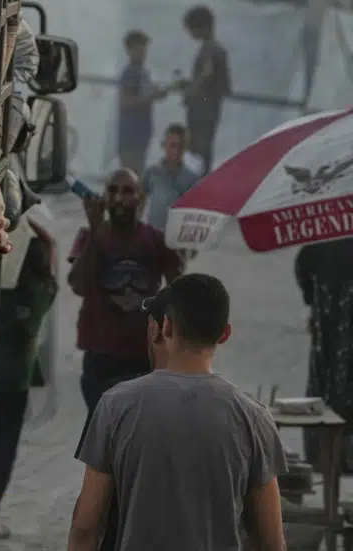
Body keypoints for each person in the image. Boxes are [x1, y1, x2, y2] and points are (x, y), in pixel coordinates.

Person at [68, 273, 287, 551]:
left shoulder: (116, 405)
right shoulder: (254, 418)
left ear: (167, 326)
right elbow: (271, 542)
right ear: (224, 334)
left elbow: (86, 526)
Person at [67, 168, 184, 419]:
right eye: (112, 191)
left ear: (141, 197)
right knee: (102, 428)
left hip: (142, 356)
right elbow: (78, 285)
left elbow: (179, 289)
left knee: (136, 430)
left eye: (128, 191)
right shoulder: (88, 236)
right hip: (100, 356)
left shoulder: (155, 240)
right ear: (104, 197)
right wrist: (96, 233)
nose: (119, 198)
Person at [0, 220, 58, 541]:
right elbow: (51, 265)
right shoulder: (39, 291)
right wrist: (39, 230)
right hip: (14, 384)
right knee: (3, 452)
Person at [295, 237, 353, 472]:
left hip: (327, 315)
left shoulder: (324, 234)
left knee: (325, 380)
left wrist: (311, 300)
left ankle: (324, 454)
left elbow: (303, 266)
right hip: (331, 316)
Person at [180, 5, 231, 167]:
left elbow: (207, 73)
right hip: (209, 110)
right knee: (202, 153)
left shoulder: (210, 49)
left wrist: (191, 90)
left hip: (202, 111)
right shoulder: (216, 49)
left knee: (198, 154)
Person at [140, 123, 200, 256]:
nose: (176, 150)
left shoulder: (191, 179)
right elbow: (139, 203)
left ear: (186, 148)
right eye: (172, 145)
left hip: (177, 243)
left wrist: (193, 243)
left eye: (180, 146)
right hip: (153, 238)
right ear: (164, 145)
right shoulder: (152, 173)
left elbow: (194, 214)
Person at [115, 30, 164, 173]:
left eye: (144, 48)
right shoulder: (129, 73)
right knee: (130, 172)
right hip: (130, 134)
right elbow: (125, 101)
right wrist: (151, 97)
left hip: (141, 132)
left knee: (139, 169)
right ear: (129, 50)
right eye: (139, 48)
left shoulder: (143, 72)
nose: (143, 52)